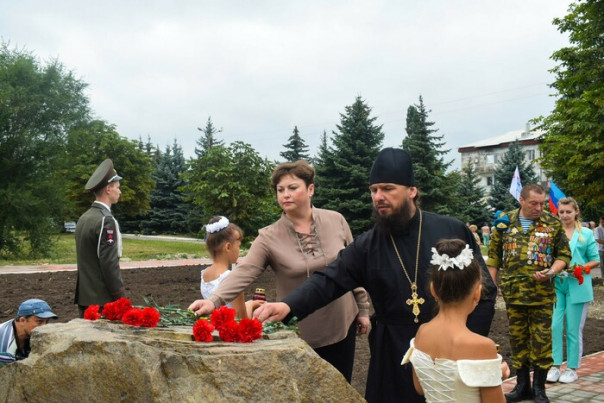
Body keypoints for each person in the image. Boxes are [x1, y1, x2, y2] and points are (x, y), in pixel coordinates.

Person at [252, 148, 497, 402]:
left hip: (446, 351)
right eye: (374, 190)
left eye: (388, 189)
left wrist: (465, 342)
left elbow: (485, 292)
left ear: (412, 191)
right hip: (390, 355)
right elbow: (329, 280)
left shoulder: (450, 230)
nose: (378, 197)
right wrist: (288, 306)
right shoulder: (368, 245)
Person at [189, 160, 370, 382]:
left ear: (310, 189)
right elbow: (245, 271)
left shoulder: (336, 220)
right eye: (280, 190)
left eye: (292, 188)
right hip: (300, 334)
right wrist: (213, 300)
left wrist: (362, 309)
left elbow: (352, 268)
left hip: (342, 325)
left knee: (341, 388)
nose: (286, 194)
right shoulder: (268, 236)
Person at [486, 183, 571, 403]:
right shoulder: (504, 222)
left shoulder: (552, 223)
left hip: (541, 295)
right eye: (534, 203)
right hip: (514, 294)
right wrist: (492, 286)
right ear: (521, 200)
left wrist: (551, 271)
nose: (539, 208)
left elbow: (564, 255)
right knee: (518, 340)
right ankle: (522, 386)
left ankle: (539, 388)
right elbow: (493, 257)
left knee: (542, 341)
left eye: (542, 204)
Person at [402, 239, 509, 403]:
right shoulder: (482, 346)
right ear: (477, 293)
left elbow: (420, 388)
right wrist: (497, 376)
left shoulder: (422, 332)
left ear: (433, 289)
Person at [547, 197, 600, 384]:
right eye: (561, 212)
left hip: (577, 284)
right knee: (555, 325)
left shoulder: (586, 233)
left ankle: (572, 368)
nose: (565, 215)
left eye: (568, 211)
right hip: (558, 284)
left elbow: (595, 259)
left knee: (573, 328)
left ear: (576, 211)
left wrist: (582, 268)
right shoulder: (554, 232)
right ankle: (555, 365)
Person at [74, 159, 125, 318]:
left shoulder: (84, 217)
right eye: (117, 187)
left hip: (85, 298)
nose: (120, 192)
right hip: (102, 302)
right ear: (108, 189)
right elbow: (109, 263)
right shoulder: (106, 220)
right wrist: (120, 297)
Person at [200, 216, 263, 319]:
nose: (239, 250)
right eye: (238, 246)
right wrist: (251, 305)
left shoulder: (205, 274)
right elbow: (241, 320)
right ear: (228, 247)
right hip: (229, 328)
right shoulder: (233, 279)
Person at [0, 299, 58, 366]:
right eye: (39, 321)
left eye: (47, 321)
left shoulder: (26, 330)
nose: (44, 326)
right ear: (22, 320)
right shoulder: (5, 348)